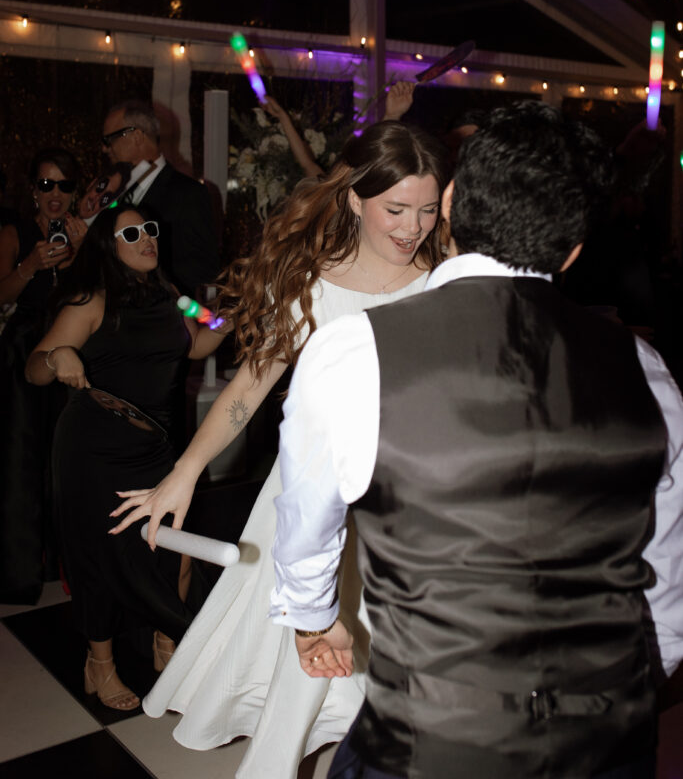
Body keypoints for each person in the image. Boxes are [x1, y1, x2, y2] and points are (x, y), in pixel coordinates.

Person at [270, 101, 683, 779]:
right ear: (573, 246)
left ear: (452, 203)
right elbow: (664, 573)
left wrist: (313, 618)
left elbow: (308, 521)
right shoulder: (647, 372)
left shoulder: (355, 353)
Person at [110, 120, 451, 776]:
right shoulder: (310, 282)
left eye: (427, 209)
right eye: (396, 209)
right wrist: (183, 471)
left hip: (413, 501)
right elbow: (247, 389)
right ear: (355, 198)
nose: (413, 226)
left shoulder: (445, 281)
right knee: (306, 664)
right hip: (315, 497)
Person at [25, 206, 226, 711]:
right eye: (131, 233)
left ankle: (165, 643)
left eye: (150, 229)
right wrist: (57, 357)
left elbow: (205, 337)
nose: (146, 239)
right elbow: (34, 369)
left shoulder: (175, 297)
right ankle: (100, 664)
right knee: (100, 558)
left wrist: (239, 314)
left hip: (155, 447)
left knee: (171, 549)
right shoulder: (92, 300)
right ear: (108, 245)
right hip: (93, 450)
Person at [0, 147, 87, 604]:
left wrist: (78, 256)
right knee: (21, 458)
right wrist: (31, 266)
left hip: (69, 349)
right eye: (46, 184)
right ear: (33, 190)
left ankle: (65, 564)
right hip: (21, 355)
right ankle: (19, 569)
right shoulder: (15, 232)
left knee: (66, 456)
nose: (55, 194)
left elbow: (90, 295)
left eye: (64, 185)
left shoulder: (80, 234)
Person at [101, 100, 219, 295]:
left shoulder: (187, 192)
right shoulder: (116, 192)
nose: (105, 149)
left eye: (109, 139)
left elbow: (203, 267)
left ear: (137, 136)